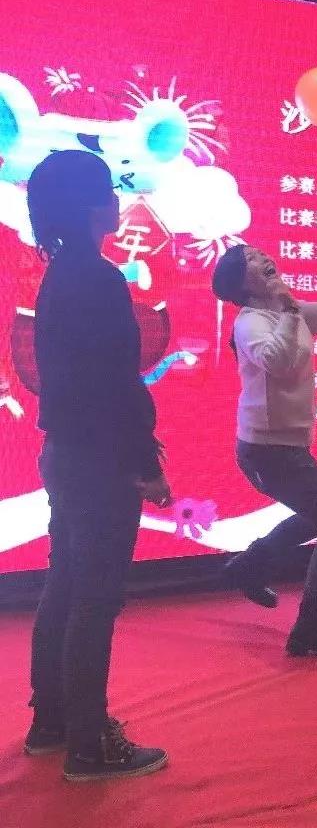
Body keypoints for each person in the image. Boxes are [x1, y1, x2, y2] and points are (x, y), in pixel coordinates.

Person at [25, 150, 171, 781]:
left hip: (66, 454)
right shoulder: (99, 278)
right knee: (94, 597)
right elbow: (117, 385)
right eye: (110, 191)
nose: (118, 201)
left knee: (65, 584)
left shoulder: (61, 274)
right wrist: (146, 464)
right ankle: (90, 745)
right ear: (91, 207)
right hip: (100, 461)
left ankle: (53, 723)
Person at [212, 239, 317, 656]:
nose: (264, 258)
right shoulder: (250, 322)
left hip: (283, 446)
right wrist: (291, 312)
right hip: (268, 449)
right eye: (252, 259)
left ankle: (250, 565)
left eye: (261, 254)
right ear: (242, 283)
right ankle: (311, 626)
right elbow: (277, 362)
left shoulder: (283, 312)